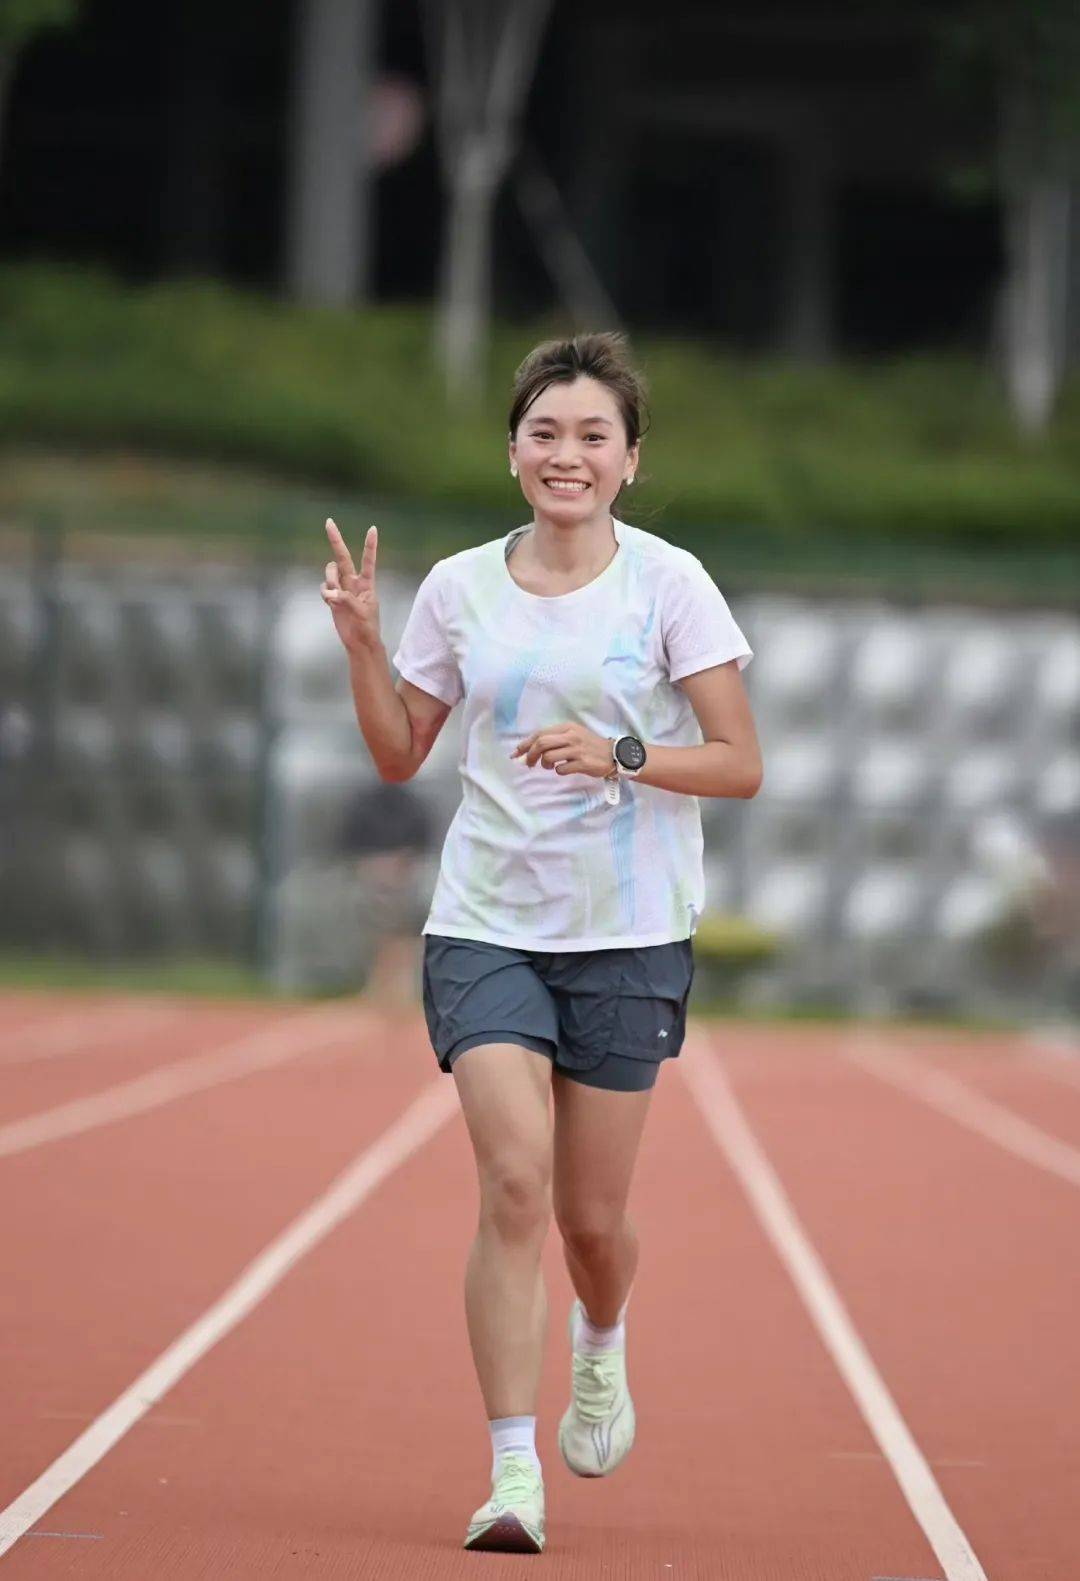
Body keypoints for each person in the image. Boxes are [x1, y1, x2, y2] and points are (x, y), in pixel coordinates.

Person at [320, 331, 762, 1555]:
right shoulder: (460, 588)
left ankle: (602, 1342)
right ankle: (513, 1473)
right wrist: (364, 640)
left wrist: (619, 751)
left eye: (592, 436)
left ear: (629, 460)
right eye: (545, 432)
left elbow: (741, 762)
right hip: (486, 924)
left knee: (588, 1222)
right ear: (513, 450)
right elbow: (402, 752)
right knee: (510, 1182)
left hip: (626, 934)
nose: (567, 454)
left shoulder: (670, 585)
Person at [339, 779, 432, 1008]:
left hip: (407, 872)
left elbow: (422, 840)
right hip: (370, 871)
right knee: (370, 916)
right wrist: (375, 864)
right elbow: (350, 840)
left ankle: (403, 985)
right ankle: (375, 983)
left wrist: (402, 862)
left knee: (412, 918)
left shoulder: (412, 803)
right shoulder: (365, 802)